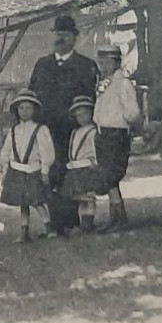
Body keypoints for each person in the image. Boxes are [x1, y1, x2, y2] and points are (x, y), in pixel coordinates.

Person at [27, 15, 100, 232]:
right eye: (57, 34)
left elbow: (90, 100)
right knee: (50, 174)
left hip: (73, 132)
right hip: (47, 131)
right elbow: (32, 96)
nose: (61, 39)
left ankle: (73, 220)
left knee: (73, 174)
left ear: (74, 38)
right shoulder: (42, 65)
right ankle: (57, 223)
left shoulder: (85, 66)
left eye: (65, 35)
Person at [93, 44, 142, 232]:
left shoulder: (123, 83)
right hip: (103, 133)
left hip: (116, 134)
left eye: (107, 63)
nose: (103, 67)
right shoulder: (106, 83)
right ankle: (115, 218)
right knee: (107, 177)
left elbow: (132, 112)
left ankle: (120, 218)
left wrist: (130, 124)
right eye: (101, 63)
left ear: (117, 63)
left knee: (111, 176)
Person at [0, 90, 55, 244]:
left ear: (34, 110)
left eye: (28, 108)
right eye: (21, 108)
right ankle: (24, 231)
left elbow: (46, 152)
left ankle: (49, 228)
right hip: (17, 171)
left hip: (33, 170)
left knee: (37, 202)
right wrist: (5, 168)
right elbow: (7, 150)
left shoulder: (40, 129)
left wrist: (45, 170)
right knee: (22, 203)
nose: (24, 111)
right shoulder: (13, 130)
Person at [63, 96, 103, 232]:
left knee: (89, 197)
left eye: (85, 114)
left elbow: (95, 149)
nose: (81, 118)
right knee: (79, 197)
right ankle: (83, 222)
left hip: (87, 167)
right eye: (78, 115)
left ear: (91, 114)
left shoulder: (93, 131)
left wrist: (95, 163)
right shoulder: (75, 132)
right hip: (75, 167)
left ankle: (88, 223)